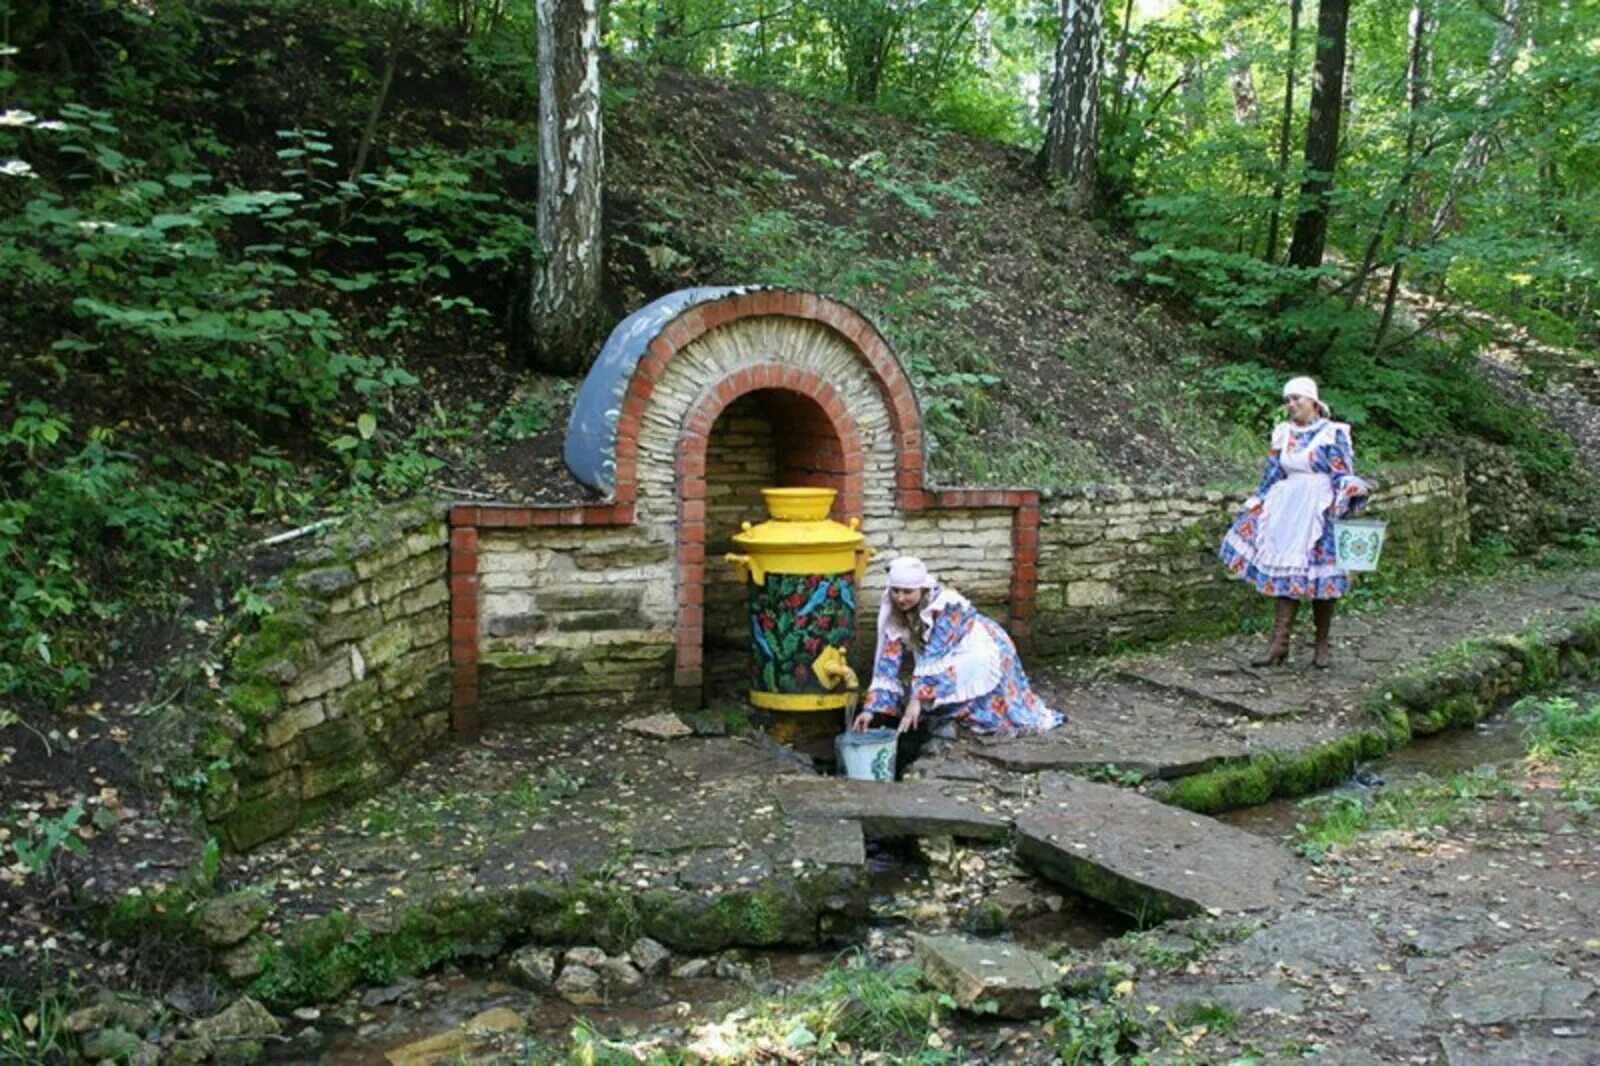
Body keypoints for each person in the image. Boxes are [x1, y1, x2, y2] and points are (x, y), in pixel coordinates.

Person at [1219, 376, 1370, 668]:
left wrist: (1351, 489)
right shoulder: (1283, 433)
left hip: (1320, 508)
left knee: (1321, 576)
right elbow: (1273, 472)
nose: (1291, 405)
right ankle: (1279, 646)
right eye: (1288, 400)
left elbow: (1341, 472)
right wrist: (1257, 502)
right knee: (1287, 575)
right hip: (1287, 508)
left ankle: (1322, 645)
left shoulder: (1332, 432)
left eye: (1296, 399)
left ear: (1313, 401)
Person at [851, 556, 1062, 740]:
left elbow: (935, 656)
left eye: (907, 592)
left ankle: (970, 716)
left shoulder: (946, 606)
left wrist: (916, 701)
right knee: (932, 690)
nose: (900, 598)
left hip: (978, 644)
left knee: (964, 674)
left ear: (922, 589)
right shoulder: (895, 613)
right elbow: (888, 662)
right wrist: (871, 710)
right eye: (895, 591)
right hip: (945, 653)